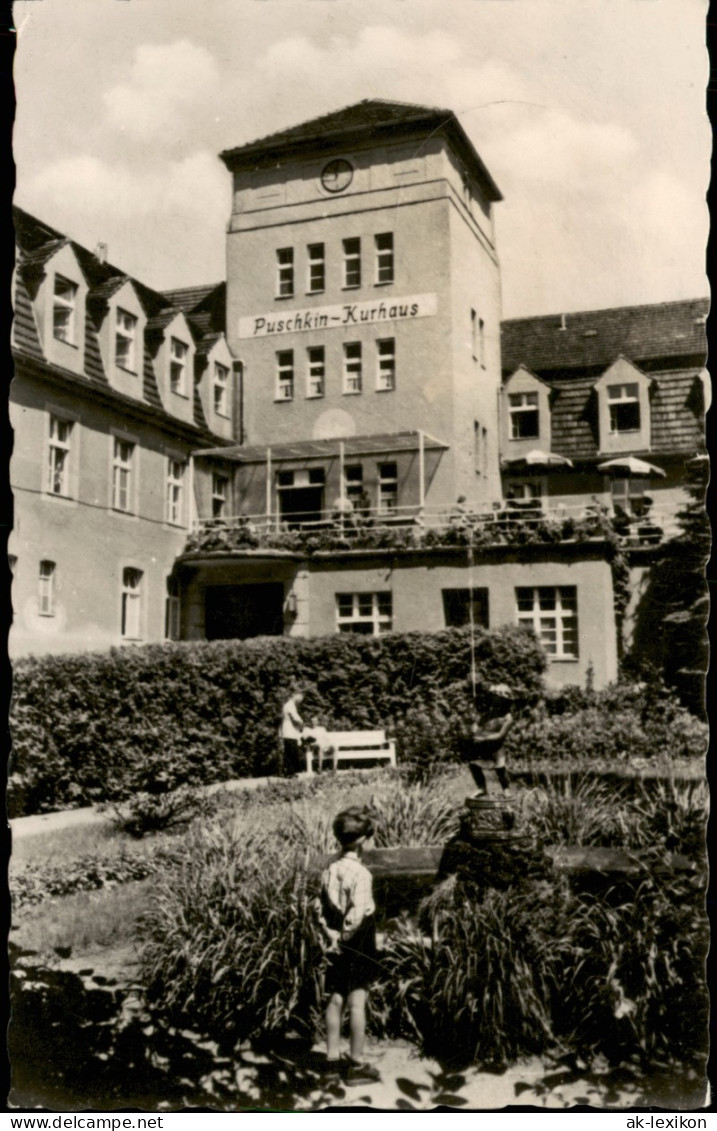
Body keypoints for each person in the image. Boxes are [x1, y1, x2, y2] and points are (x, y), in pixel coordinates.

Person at [318, 807, 381, 1085]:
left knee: (335, 999)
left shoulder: (330, 869)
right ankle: (356, 1064)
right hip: (357, 942)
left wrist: (330, 935)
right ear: (364, 840)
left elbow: (317, 908)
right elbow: (356, 916)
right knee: (358, 1002)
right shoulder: (362, 874)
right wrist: (344, 937)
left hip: (333, 940)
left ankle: (331, 1063)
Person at [280, 685, 313, 777]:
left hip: (291, 732)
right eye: (300, 696)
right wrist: (302, 725)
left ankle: (290, 772)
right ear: (295, 695)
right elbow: (295, 720)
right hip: (290, 732)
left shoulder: (291, 705)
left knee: (291, 752)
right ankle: (289, 773)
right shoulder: (290, 705)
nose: (301, 699)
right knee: (291, 752)